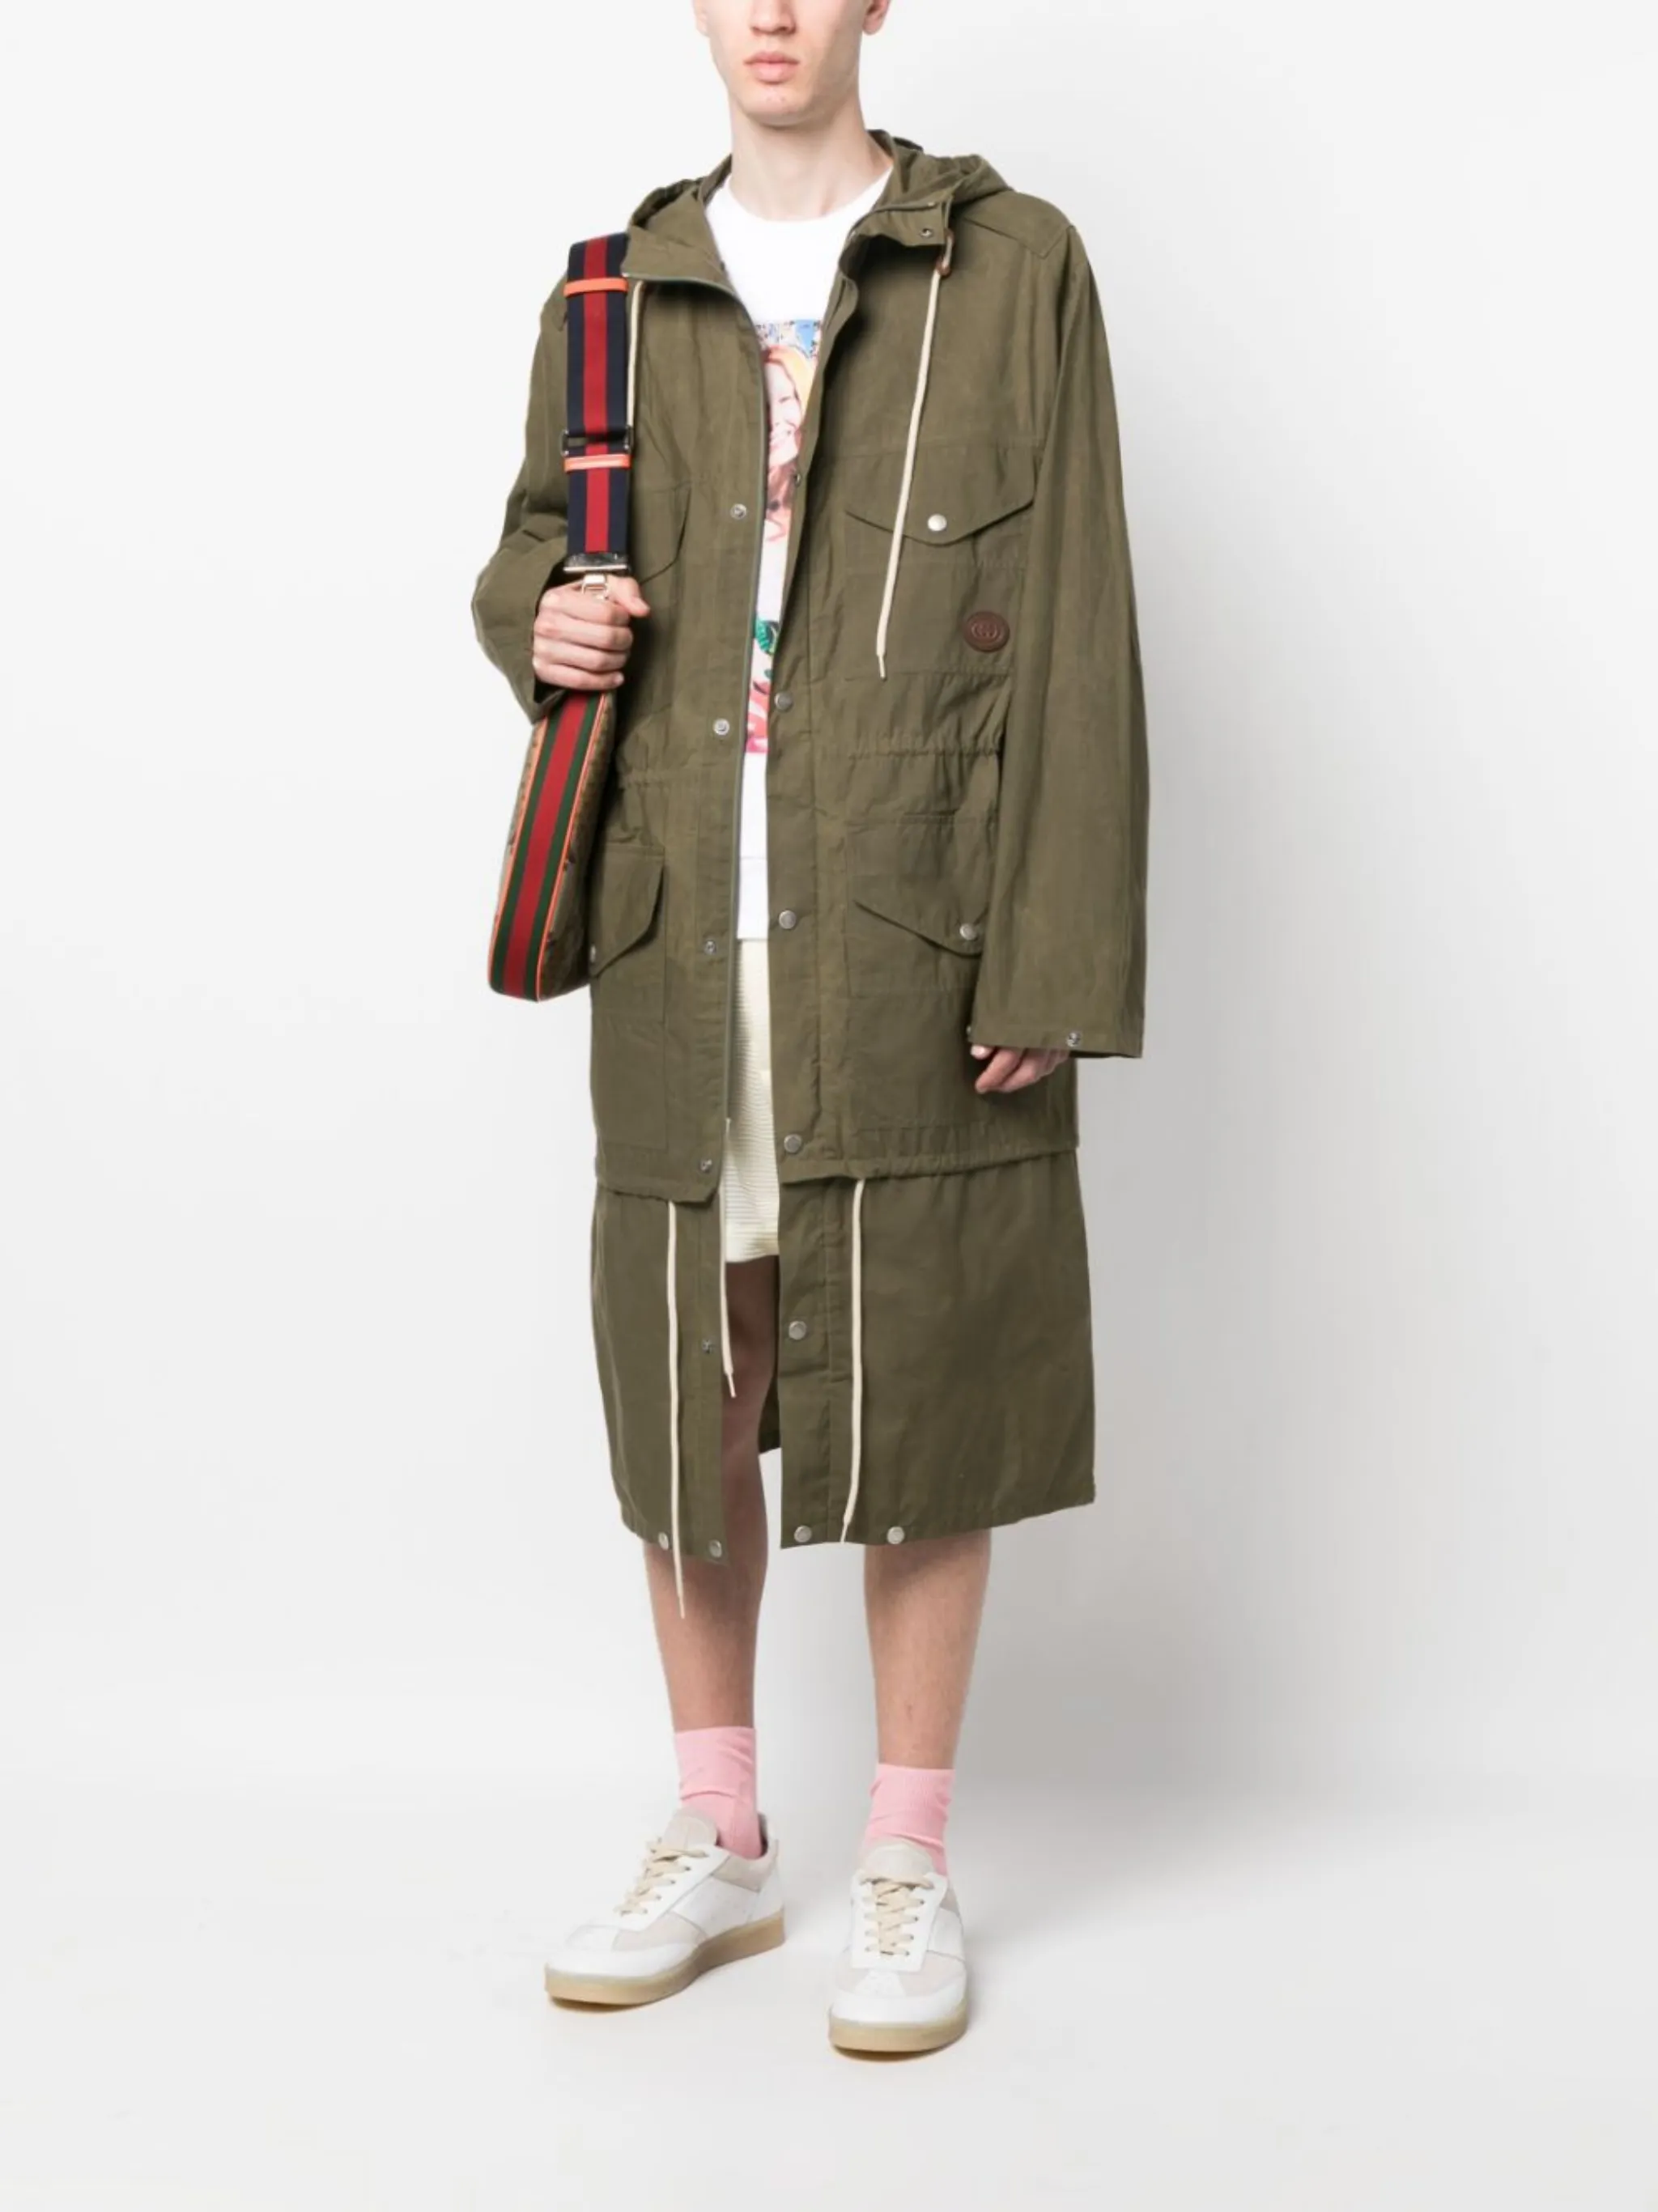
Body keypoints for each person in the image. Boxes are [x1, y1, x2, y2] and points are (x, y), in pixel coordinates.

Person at [470, 0, 1147, 2057]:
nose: (770, 7)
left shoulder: (1008, 266)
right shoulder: (612, 292)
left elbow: (1084, 619)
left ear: (872, 4)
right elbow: (532, 557)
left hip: (917, 925)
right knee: (700, 1382)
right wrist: (536, 619)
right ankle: (722, 1834)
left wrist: (1054, 953)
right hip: (680, 928)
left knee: (926, 1367)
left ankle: (909, 1858)